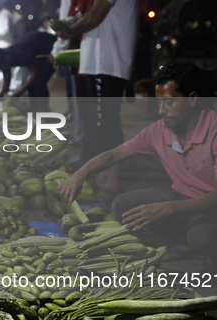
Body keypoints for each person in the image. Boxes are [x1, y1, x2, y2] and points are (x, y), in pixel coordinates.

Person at [58, 61, 217, 264]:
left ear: (192, 99)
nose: (161, 110)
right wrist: (79, 175)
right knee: (123, 206)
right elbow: (113, 155)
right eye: (158, 102)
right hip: (182, 198)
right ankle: (186, 235)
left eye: (169, 102)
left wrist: (167, 208)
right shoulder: (159, 130)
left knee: (203, 236)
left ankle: (212, 246)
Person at [57, 0, 137, 199]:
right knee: (99, 124)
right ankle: (101, 177)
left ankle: (111, 183)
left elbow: (93, 17)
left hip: (109, 63)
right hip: (97, 63)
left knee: (107, 124)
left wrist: (69, 29)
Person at [0, 31, 56, 103]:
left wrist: (19, 93)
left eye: (3, 66)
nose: (4, 68)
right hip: (37, 56)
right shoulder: (4, 60)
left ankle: (43, 111)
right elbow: (6, 79)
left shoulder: (22, 52)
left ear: (6, 57)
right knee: (31, 87)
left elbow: (35, 72)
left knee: (38, 84)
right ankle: (35, 111)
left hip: (50, 48)